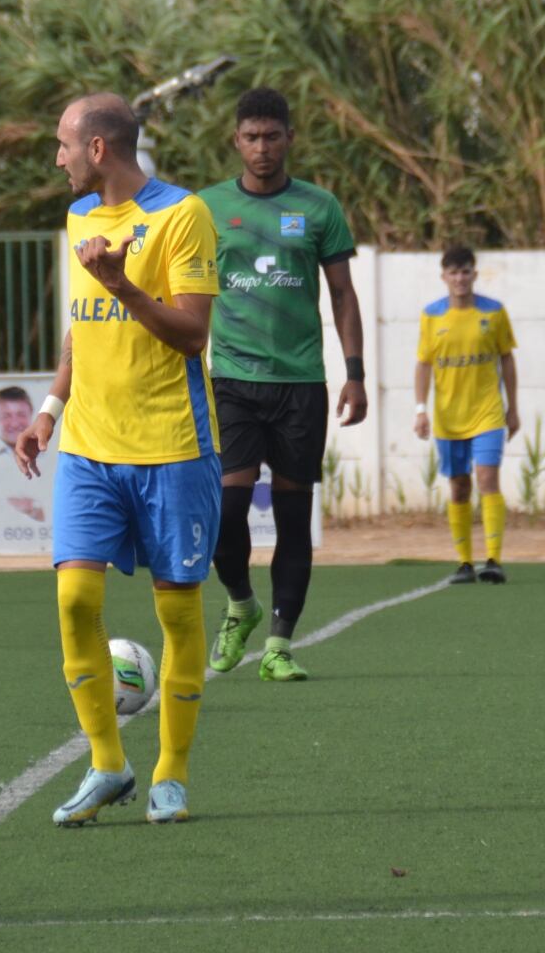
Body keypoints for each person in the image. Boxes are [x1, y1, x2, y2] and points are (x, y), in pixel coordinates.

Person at [14, 92, 220, 827]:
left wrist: (124, 284)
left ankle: (170, 774)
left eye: (63, 144)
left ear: (98, 148)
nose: (57, 157)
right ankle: (106, 765)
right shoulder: (77, 219)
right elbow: (81, 327)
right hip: (90, 449)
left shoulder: (182, 215)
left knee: (178, 615)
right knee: (74, 602)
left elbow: (192, 335)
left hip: (173, 448)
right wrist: (48, 410)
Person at [197, 88, 366, 682]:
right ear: (236, 141)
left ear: (290, 138)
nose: (262, 147)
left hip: (301, 383)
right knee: (226, 513)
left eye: (272, 136)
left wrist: (356, 374)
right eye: (251, 137)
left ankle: (278, 643)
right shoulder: (207, 208)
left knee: (294, 520)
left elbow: (343, 294)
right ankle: (239, 603)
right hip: (233, 381)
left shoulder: (319, 208)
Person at [413, 246, 519, 584]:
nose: (460, 278)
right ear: (443, 277)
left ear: (475, 274)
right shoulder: (432, 315)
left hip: (487, 414)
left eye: (466, 271)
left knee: (487, 479)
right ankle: (464, 562)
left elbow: (507, 359)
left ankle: (493, 560)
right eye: (453, 272)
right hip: (448, 418)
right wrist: (421, 410)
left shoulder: (494, 312)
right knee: (459, 486)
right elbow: (424, 364)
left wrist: (512, 408)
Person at [0, 386, 44, 522]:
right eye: (6, 416)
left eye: (21, 415)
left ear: (31, 415)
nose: (15, 423)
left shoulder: (52, 455)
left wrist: (33, 507)